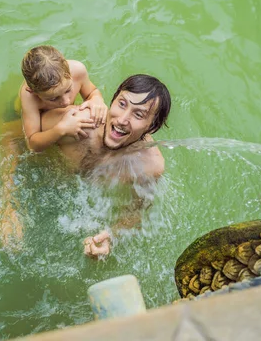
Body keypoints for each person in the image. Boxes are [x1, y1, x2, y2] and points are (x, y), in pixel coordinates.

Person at [40, 74, 171, 258]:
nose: (122, 119)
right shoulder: (75, 123)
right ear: (112, 100)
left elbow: (134, 213)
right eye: (122, 104)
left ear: (152, 127)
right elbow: (11, 138)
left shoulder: (149, 166)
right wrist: (6, 203)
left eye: (138, 114)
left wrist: (110, 236)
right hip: (44, 182)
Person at [18, 45, 108, 152]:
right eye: (53, 99)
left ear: (69, 73)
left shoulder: (78, 70)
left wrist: (96, 99)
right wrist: (60, 130)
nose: (66, 102)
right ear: (32, 91)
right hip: (33, 116)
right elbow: (32, 144)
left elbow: (92, 92)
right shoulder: (29, 96)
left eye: (68, 90)